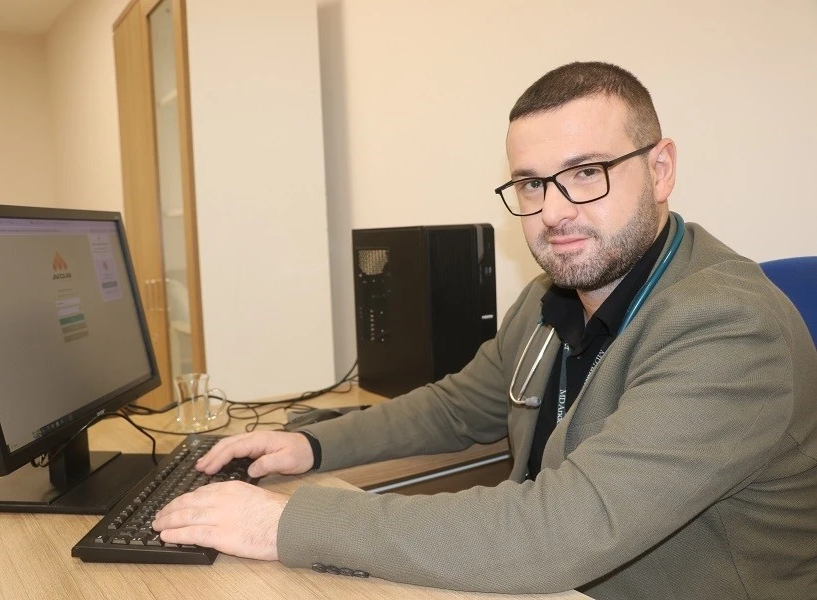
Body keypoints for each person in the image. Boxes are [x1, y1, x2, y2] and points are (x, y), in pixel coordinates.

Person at [152, 62, 817, 599]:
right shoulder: (552, 299)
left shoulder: (728, 328)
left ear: (660, 169)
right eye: (531, 184)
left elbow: (560, 531)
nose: (553, 211)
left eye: (585, 173)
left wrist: (288, 522)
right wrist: (310, 445)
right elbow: (455, 407)